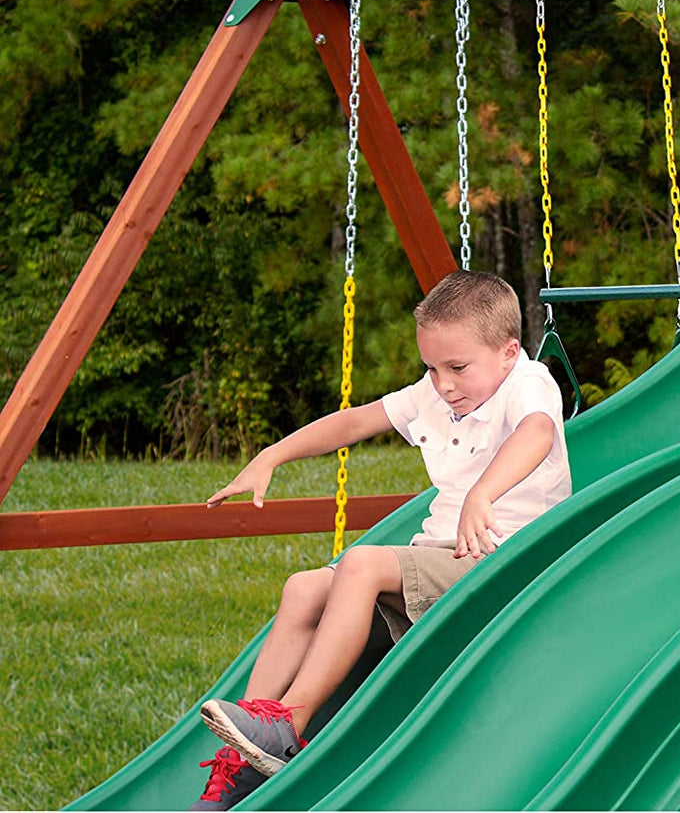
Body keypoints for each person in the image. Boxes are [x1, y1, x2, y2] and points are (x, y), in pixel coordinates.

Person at [189, 270, 569, 810]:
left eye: (457, 367)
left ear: (509, 352)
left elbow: (537, 432)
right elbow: (352, 423)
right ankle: (246, 759)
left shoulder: (526, 382)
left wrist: (483, 494)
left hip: (504, 561)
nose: (443, 384)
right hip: (444, 554)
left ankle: (289, 723)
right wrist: (271, 455)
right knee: (302, 587)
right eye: (432, 368)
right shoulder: (438, 393)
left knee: (362, 564)